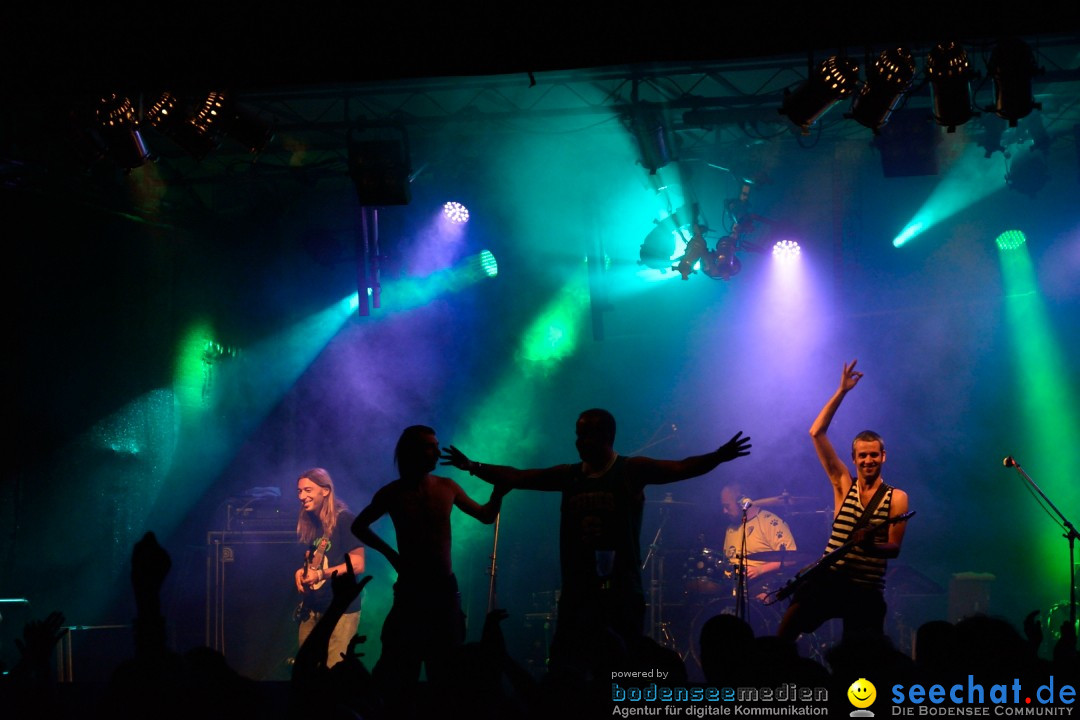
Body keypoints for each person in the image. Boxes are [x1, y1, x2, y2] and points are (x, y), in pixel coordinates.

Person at [441, 408, 751, 676]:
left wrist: (718, 456)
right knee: (568, 667)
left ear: (606, 437)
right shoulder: (569, 475)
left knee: (620, 669)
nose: (579, 441)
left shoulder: (630, 470)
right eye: (577, 434)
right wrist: (474, 467)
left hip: (621, 592)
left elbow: (681, 467)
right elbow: (518, 476)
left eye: (586, 434)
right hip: (578, 593)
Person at [351, 424, 508, 702]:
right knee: (404, 670)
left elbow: (485, 516)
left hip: (443, 591)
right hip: (412, 592)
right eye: (429, 446)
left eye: (436, 445)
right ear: (412, 451)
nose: (437, 451)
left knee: (445, 670)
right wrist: (392, 555)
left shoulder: (447, 486)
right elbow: (358, 526)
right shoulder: (393, 492)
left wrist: (498, 492)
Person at [776, 359, 910, 644]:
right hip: (831, 579)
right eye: (862, 455)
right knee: (786, 631)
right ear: (854, 459)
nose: (868, 460)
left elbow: (894, 548)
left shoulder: (896, 497)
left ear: (883, 456)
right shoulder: (843, 485)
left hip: (866, 588)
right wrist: (842, 391)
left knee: (861, 660)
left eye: (874, 454)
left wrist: (869, 544)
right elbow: (816, 432)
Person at [294, 468, 366, 669]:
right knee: (306, 668)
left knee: (335, 671)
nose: (302, 496)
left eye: (308, 490)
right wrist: (301, 573)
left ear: (325, 490)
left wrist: (321, 574)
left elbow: (358, 564)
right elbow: (311, 560)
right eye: (299, 491)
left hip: (340, 609)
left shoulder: (344, 519)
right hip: (313, 606)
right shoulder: (311, 522)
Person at [719, 482, 798, 596]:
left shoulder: (770, 522)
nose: (724, 511)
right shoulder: (731, 527)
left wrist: (759, 570)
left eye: (727, 506)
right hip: (732, 589)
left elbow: (791, 558)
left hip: (761, 589)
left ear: (742, 502)